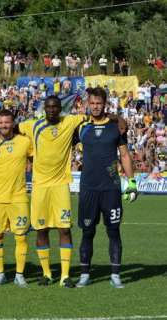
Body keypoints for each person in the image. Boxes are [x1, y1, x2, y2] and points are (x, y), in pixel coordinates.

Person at [0, 95, 87, 288]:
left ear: (60, 108)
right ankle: (46, 273)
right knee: (41, 230)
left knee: (64, 229)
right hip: (40, 186)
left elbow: (93, 116)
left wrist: (118, 119)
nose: (51, 110)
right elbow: (10, 128)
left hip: (60, 185)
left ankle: (65, 276)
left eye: (55, 107)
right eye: (48, 107)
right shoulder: (33, 125)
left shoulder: (70, 121)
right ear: (44, 108)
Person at [75, 88, 137, 289]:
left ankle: (116, 275)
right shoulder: (81, 127)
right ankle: (85, 274)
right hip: (88, 188)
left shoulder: (115, 127)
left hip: (111, 188)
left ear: (105, 104)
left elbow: (125, 156)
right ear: (87, 103)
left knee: (113, 231)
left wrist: (132, 182)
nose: (95, 106)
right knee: (87, 232)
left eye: (99, 103)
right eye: (92, 103)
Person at [0, 109, 32, 287]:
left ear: (13, 123)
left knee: (21, 237)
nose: (4, 125)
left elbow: (35, 158)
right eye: (1, 122)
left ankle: (19, 275)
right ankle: (0, 274)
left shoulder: (25, 142)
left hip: (19, 198)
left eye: (7, 122)